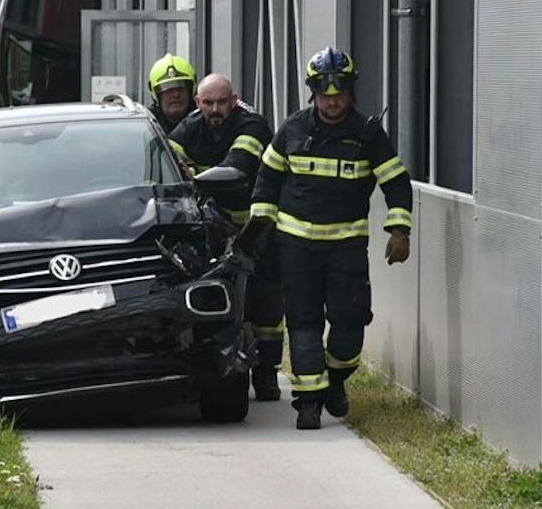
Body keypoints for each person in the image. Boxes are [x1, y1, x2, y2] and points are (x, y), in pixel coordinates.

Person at [240, 48, 412, 431]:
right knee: (303, 323)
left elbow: (397, 183)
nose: (332, 102)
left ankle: (335, 382)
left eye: (339, 94)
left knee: (350, 323)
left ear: (350, 92)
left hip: (346, 248)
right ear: (313, 93)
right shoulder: (292, 129)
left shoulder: (368, 134)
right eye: (325, 95)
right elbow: (266, 181)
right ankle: (308, 403)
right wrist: (261, 229)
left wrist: (400, 230)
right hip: (296, 248)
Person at [169, 73, 283, 401]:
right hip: (212, 231)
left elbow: (239, 164)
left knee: (266, 304)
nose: (215, 109)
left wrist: (194, 175)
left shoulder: (252, 125)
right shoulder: (189, 127)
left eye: (222, 102)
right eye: (208, 103)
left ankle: (267, 373)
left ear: (234, 100)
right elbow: (165, 162)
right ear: (198, 103)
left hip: (257, 229)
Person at [147, 53, 196, 135]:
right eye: (168, 89)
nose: (176, 95)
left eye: (181, 88)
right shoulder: (147, 124)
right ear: (156, 95)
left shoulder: (205, 122)